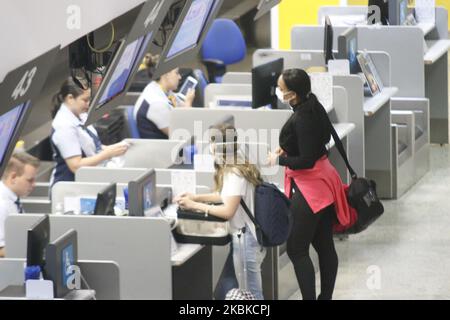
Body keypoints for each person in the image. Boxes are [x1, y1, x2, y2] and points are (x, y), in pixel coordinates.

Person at [268, 69, 352, 300]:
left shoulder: (302, 118)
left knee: (296, 248)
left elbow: (305, 160)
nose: (278, 92)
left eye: (281, 89)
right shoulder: (313, 105)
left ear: (292, 94)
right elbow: (319, 142)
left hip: (311, 187)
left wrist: (279, 159)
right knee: (324, 244)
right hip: (325, 181)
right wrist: (289, 148)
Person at [175, 124, 266, 299]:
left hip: (246, 240)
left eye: (211, 142)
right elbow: (225, 196)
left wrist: (194, 205)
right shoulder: (236, 164)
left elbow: (227, 211)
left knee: (253, 294)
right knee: (236, 287)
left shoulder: (234, 172)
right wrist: (195, 197)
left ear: (218, 147)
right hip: (243, 237)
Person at [50, 77, 129, 187]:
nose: (89, 104)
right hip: (69, 187)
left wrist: (114, 149)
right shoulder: (64, 126)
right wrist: (107, 154)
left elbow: (92, 146)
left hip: (87, 180)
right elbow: (75, 166)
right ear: (70, 98)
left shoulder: (80, 115)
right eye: (85, 100)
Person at [133, 57, 196, 139]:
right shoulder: (156, 104)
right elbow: (181, 136)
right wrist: (188, 105)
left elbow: (179, 106)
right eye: (176, 73)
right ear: (165, 74)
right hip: (160, 149)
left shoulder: (160, 88)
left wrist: (185, 106)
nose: (180, 77)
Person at [0, 152, 40, 257]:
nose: (34, 184)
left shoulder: (13, 198)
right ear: (13, 177)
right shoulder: (2, 205)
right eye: (30, 180)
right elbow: (1, 251)